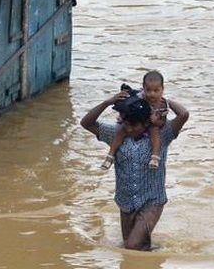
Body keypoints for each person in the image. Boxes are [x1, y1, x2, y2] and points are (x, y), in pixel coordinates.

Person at [81, 86, 189, 250]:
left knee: (132, 245)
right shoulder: (116, 133)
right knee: (133, 247)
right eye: (126, 124)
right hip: (126, 202)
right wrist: (107, 102)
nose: (129, 129)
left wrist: (161, 100)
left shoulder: (162, 135)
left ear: (146, 123)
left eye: (134, 125)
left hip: (152, 201)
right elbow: (86, 123)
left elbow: (183, 115)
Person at [101, 71, 169, 170]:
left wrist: (155, 121)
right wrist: (122, 116)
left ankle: (155, 157)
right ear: (143, 88)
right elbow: (126, 106)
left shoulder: (163, 105)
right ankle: (110, 155)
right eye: (148, 90)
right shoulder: (138, 97)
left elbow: (163, 122)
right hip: (132, 121)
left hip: (149, 124)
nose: (152, 94)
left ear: (162, 89)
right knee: (121, 131)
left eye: (156, 90)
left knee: (155, 130)